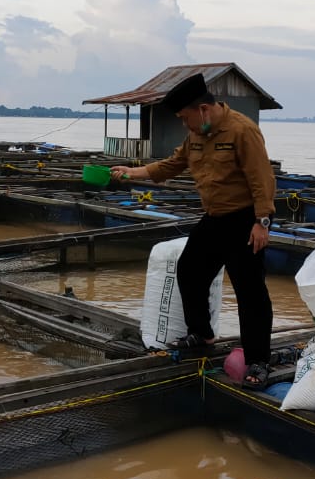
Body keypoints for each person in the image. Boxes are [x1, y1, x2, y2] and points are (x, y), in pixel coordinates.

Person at [111, 73, 277, 389]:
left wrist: (262, 222)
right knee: (189, 270)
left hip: (245, 220)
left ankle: (259, 360)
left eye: (184, 117)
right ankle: (201, 333)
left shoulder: (242, 131)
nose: (183, 123)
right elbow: (172, 164)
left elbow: (262, 179)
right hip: (214, 218)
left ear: (201, 109)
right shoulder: (196, 135)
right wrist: (133, 171)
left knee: (250, 292)